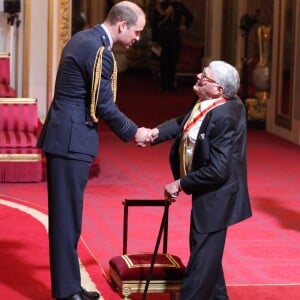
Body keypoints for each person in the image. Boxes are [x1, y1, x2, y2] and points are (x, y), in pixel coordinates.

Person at [37, 2, 150, 299]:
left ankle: (70, 287)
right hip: (70, 141)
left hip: (67, 137)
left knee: (69, 218)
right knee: (65, 220)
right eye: (137, 31)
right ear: (123, 25)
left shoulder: (84, 38)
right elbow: (104, 105)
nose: (138, 38)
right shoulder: (99, 50)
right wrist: (134, 132)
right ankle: (66, 293)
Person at [150, 61, 252, 299]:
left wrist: (180, 183)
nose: (198, 76)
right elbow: (184, 122)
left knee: (199, 267)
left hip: (217, 197)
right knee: (207, 259)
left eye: (204, 76)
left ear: (218, 90)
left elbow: (218, 170)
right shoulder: (207, 101)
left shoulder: (224, 116)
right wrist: (155, 134)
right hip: (206, 193)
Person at [151, 0, 194, 92]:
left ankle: (171, 85)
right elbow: (154, 24)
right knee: (163, 62)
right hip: (162, 38)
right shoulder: (160, 6)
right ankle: (164, 85)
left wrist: (184, 26)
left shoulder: (179, 6)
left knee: (172, 62)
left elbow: (190, 17)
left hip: (173, 37)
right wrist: (154, 39)